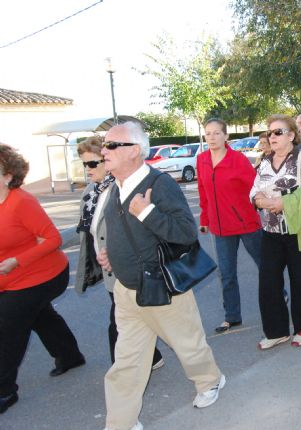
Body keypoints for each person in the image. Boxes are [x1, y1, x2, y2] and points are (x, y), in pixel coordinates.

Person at [99, 122, 224, 430]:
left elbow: (184, 232)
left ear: (135, 151)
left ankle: (210, 381)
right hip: (127, 292)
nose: (104, 151)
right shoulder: (114, 186)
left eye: (112, 145)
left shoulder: (160, 183)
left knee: (189, 345)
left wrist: (146, 211)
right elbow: (123, 234)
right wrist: (111, 257)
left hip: (161, 288)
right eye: (105, 145)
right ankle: (121, 423)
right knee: (126, 364)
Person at [0, 143, 84, 414]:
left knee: (9, 327)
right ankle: (70, 356)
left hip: (43, 274)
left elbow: (53, 239)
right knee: (38, 315)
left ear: (8, 176)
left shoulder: (21, 202)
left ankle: (5, 391)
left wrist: (17, 261)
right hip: (9, 278)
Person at [75, 136, 164, 368]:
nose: (88, 169)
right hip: (107, 268)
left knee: (119, 324)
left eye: (93, 163)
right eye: (84, 164)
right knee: (135, 318)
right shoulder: (90, 194)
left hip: (125, 267)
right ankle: (153, 357)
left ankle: (122, 370)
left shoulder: (121, 189)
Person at [251, 115, 301, 349]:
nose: (271, 137)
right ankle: (276, 331)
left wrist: (284, 202)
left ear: (292, 135)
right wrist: (258, 199)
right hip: (271, 231)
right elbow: (254, 189)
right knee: (268, 282)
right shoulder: (264, 161)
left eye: (277, 132)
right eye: (269, 133)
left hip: (300, 229)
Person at [197, 118, 262, 332]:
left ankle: (280, 295)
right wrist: (205, 219)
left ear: (226, 136)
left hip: (246, 223)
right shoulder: (202, 160)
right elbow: (204, 192)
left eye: (217, 133)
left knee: (265, 266)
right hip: (221, 227)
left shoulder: (238, 160)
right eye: (208, 133)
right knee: (226, 273)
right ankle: (232, 316)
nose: (212, 137)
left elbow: (256, 187)